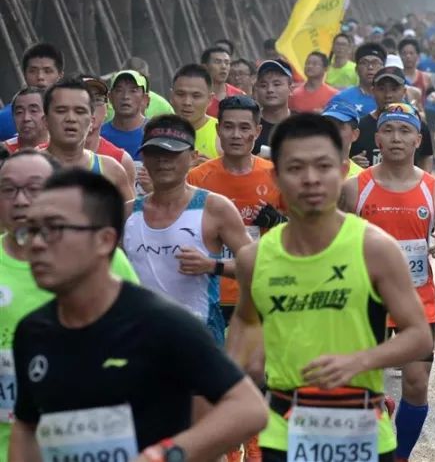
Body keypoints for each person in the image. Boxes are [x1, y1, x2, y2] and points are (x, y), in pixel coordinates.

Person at [9, 168, 267, 461]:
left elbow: (248, 409)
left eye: (54, 230)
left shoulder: (163, 324)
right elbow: (27, 425)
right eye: (29, 231)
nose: (37, 244)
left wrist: (164, 454)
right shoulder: (33, 331)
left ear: (105, 240)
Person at [225, 113, 432, 462]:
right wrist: (233, 377)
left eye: (323, 166)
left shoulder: (375, 249)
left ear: (341, 171)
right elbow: (246, 322)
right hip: (284, 429)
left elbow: (419, 335)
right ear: (276, 176)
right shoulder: (254, 257)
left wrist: (359, 361)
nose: (310, 179)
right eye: (295, 168)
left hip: (360, 427)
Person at [338, 103, 435, 462]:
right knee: (359, 386)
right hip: (365, 301)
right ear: (377, 137)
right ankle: (375, 421)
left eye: (405, 131)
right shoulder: (353, 188)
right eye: (389, 130)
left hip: (416, 302)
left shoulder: (433, 190)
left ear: (418, 140)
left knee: (417, 384)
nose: (396, 138)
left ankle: (401, 456)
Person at [0, 151, 141, 460]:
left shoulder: (100, 256)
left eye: (34, 188)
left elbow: (141, 338)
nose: (21, 200)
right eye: (8, 190)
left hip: (88, 444)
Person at [123, 115, 253, 344]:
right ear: (143, 156)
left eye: (172, 153)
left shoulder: (214, 207)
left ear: (193, 157)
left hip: (200, 340)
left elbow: (257, 266)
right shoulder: (127, 213)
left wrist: (212, 266)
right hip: (141, 340)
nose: (163, 161)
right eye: (155, 153)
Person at [188, 95, 285, 325]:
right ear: (218, 129)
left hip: (261, 287)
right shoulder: (198, 177)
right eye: (229, 127)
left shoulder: (276, 175)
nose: (236, 135)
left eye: (244, 128)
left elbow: (302, 234)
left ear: (258, 130)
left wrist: (280, 221)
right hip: (211, 290)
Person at [42, 78, 133, 201]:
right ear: (45, 120)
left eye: (80, 111)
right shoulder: (25, 168)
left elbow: (131, 218)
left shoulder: (112, 171)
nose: (71, 118)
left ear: (91, 122)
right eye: (61, 111)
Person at [351, 66, 435, 172]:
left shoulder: (418, 125)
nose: (388, 95)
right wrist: (353, 164)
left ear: (404, 91)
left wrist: (425, 181)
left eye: (394, 89)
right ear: (373, 91)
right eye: (382, 89)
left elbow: (426, 156)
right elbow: (346, 160)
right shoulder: (359, 127)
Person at [0, 43, 64, 141]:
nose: (40, 77)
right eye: (33, 71)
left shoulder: (76, 117)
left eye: (47, 71)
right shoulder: (3, 120)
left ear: (60, 76)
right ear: (24, 75)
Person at [170, 64, 220, 161]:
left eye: (196, 96)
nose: (187, 102)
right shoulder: (158, 131)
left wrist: (212, 168)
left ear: (210, 99)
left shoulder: (221, 135)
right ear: (171, 96)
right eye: (181, 94)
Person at [328, 42, 386, 119]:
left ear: (384, 68)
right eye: (364, 63)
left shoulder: (393, 99)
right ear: (356, 69)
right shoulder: (342, 99)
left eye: (375, 63)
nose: (370, 67)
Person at [102, 70, 149, 163]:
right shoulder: (99, 135)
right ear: (110, 97)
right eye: (119, 90)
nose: (125, 96)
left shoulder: (155, 134)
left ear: (145, 98)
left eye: (133, 91)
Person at [252, 59, 293, 156]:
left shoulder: (303, 125)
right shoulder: (248, 124)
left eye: (276, 84)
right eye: (263, 85)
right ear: (256, 90)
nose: (270, 90)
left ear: (290, 89)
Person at [202, 46, 244, 118]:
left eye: (227, 63)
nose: (223, 66)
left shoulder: (240, 96)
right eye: (217, 62)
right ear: (205, 67)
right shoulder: (197, 95)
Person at [3, 88, 47, 154]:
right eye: (19, 112)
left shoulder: (62, 149)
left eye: (33, 111)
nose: (26, 118)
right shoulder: (4, 151)